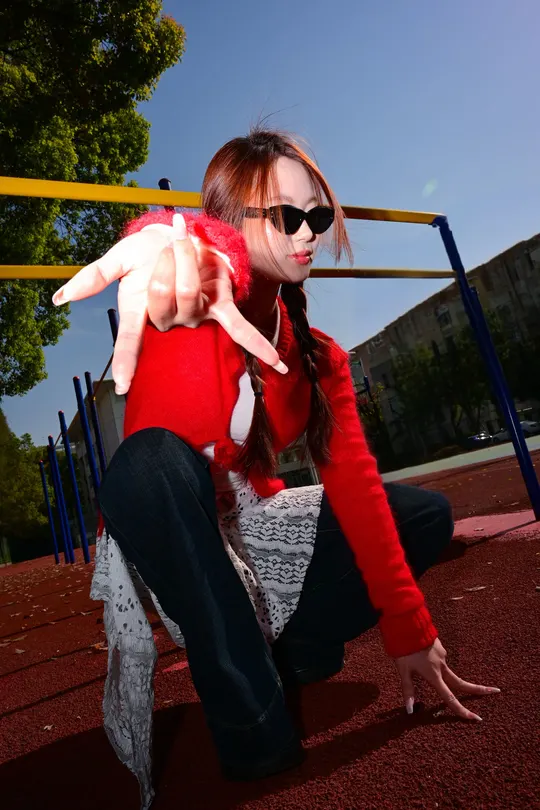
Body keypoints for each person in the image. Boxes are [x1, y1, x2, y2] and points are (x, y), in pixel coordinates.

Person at [53, 129, 499, 807]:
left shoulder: (319, 356)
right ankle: (252, 724)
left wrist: (412, 630)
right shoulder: (192, 302)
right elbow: (190, 247)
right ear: (230, 221)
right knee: (148, 463)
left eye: (317, 214)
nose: (309, 232)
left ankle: (297, 651)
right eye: (286, 216)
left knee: (423, 515)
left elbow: (355, 488)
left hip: (254, 526)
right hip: (178, 544)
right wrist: (175, 244)